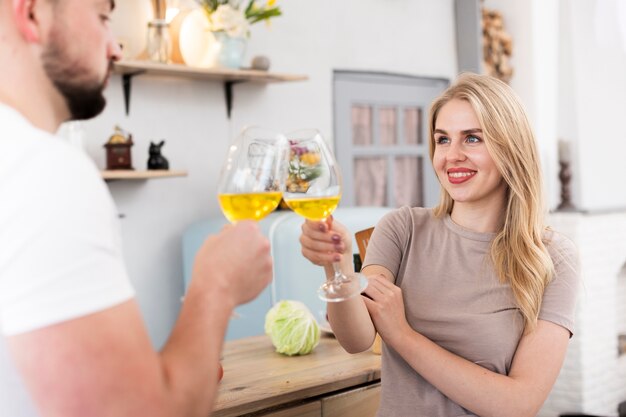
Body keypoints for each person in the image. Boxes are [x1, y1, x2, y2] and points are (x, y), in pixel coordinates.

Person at [0, 1, 272, 416]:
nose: (115, 48)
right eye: (103, 18)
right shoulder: (42, 170)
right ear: (33, 14)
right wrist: (216, 287)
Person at [300, 73, 580, 417]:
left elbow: (517, 404)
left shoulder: (551, 257)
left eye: (472, 138)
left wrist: (402, 335)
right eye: (442, 140)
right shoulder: (402, 229)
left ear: (511, 147)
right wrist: (339, 265)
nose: (452, 155)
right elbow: (356, 339)